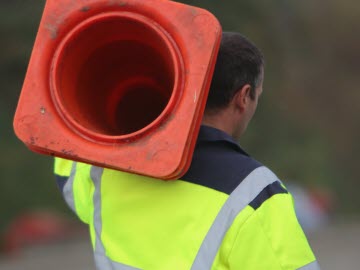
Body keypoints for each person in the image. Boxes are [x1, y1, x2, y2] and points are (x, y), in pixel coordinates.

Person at [54, 32, 319, 269]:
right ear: (243, 96)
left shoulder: (107, 168)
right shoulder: (255, 191)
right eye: (257, 95)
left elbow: (67, 174)